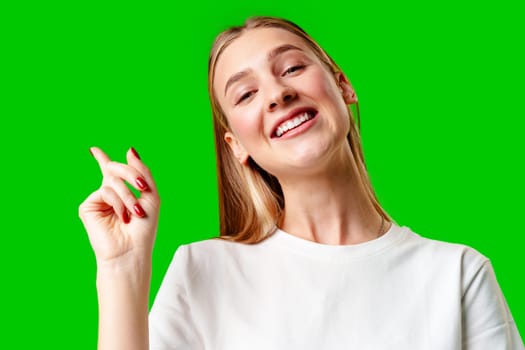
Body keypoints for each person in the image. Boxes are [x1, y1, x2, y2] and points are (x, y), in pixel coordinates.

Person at [79, 16, 524, 350]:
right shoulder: (202, 272)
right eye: (246, 94)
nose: (276, 93)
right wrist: (122, 268)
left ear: (342, 84)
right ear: (237, 145)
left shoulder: (457, 275)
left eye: (291, 68)